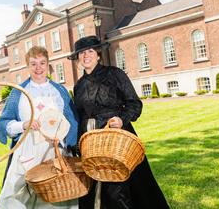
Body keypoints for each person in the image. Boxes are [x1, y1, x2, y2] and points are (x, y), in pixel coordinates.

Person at [68, 36, 169, 209]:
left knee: (118, 189)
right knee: (90, 189)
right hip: (90, 143)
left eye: (90, 51)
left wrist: (121, 119)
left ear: (98, 54)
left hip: (116, 138)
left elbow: (134, 104)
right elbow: (78, 116)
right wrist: (77, 145)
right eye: (82, 53)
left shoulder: (114, 74)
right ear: (78, 58)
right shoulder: (79, 86)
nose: (86, 56)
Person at [0, 46, 79, 209]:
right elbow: (4, 123)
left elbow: (72, 120)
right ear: (27, 66)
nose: (38, 68)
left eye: (42, 63)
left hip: (55, 150)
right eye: (33, 64)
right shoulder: (18, 92)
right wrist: (24, 125)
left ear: (48, 65)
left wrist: (66, 143)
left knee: (55, 197)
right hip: (28, 151)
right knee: (14, 196)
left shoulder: (59, 90)